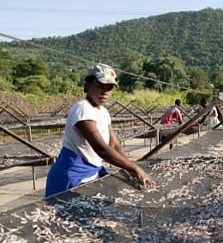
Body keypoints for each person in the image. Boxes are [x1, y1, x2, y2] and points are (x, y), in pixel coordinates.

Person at [45, 63, 155, 197]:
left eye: (109, 88)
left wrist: (129, 168)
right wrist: (135, 168)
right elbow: (101, 148)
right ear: (87, 86)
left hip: (91, 172)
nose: (105, 92)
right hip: (71, 176)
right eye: (100, 86)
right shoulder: (82, 108)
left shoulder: (103, 112)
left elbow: (114, 145)